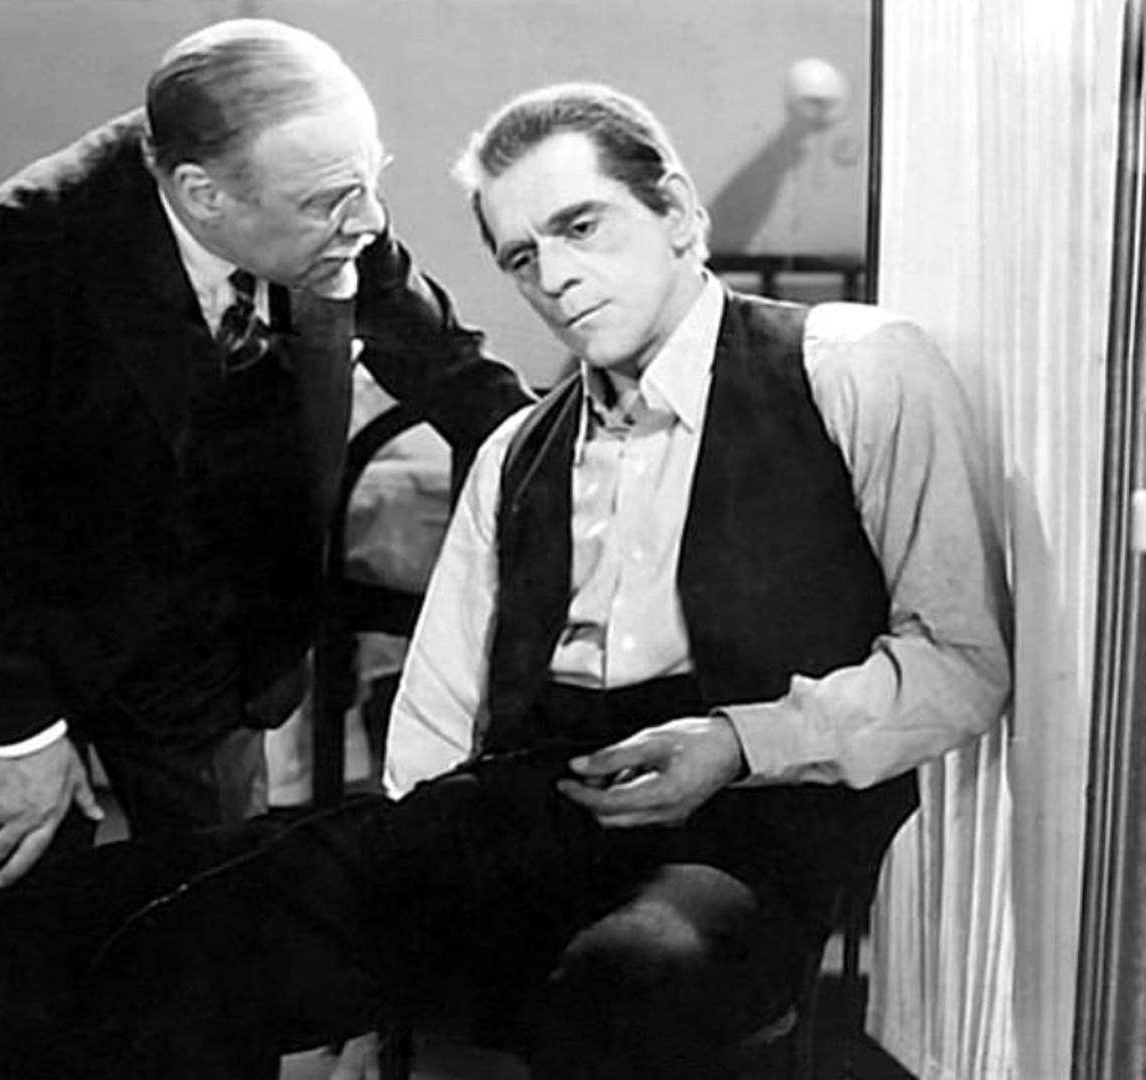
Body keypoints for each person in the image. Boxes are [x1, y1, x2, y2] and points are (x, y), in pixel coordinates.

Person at [65, 82, 1012, 1080]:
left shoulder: (852, 368)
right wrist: (383, 962)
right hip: (524, 809)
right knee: (139, 930)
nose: (555, 277)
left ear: (678, 212)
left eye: (581, 226)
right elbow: (438, 720)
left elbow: (962, 663)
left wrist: (741, 741)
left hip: (749, 819)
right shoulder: (517, 451)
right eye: (522, 257)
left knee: (624, 986)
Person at [0, 17, 530, 1079]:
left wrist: (582, 474)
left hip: (211, 658)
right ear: (202, 196)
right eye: (332, 201)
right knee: (48, 1007)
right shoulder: (30, 248)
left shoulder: (328, 207)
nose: (368, 222)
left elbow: (455, 373)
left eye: (370, 181)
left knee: (223, 982)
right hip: (31, 668)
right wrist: (20, 738)